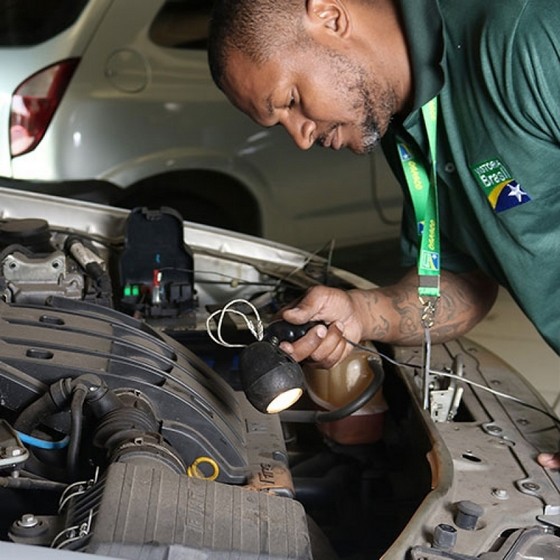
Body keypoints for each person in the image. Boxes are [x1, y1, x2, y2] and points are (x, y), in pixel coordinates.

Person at [207, 0, 560, 469]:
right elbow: (462, 284)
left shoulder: (524, 33)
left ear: (330, 17)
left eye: (291, 101)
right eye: (281, 125)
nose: (301, 138)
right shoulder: (408, 129)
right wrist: (359, 313)